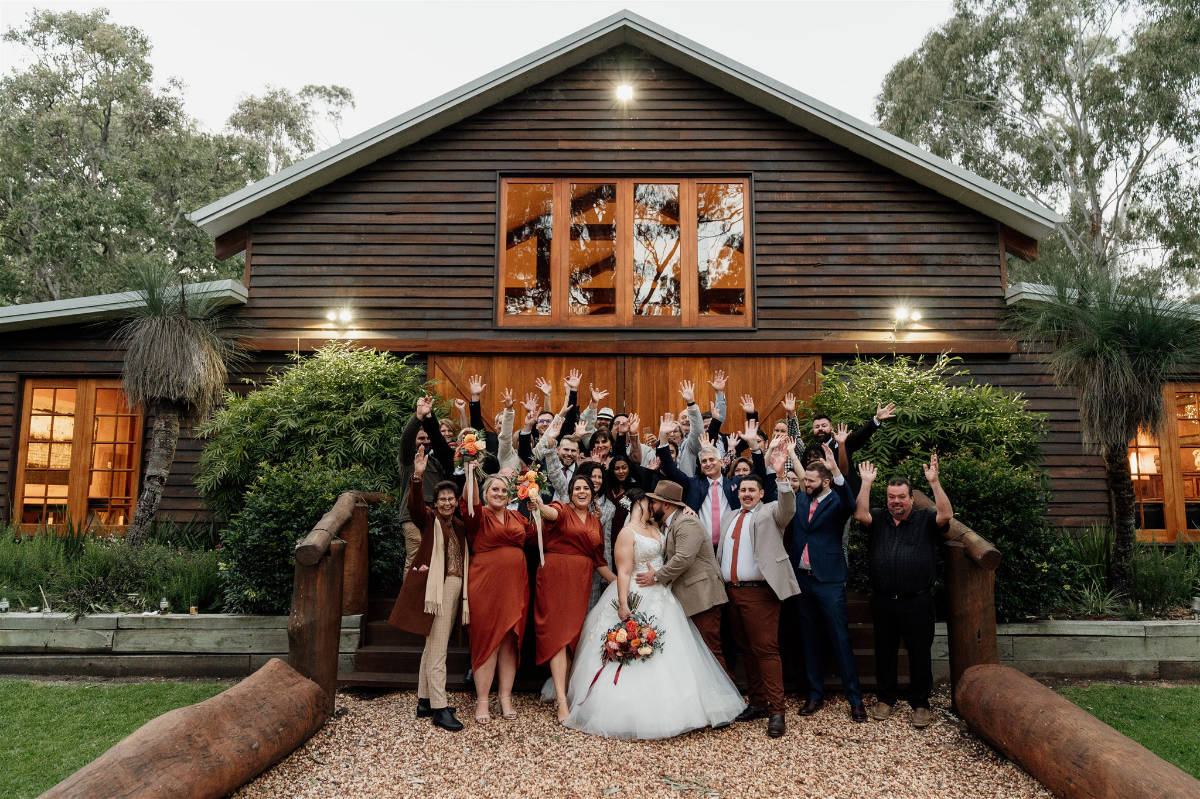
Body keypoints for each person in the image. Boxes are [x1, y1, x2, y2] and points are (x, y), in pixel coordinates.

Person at [562, 488, 746, 739]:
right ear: (639, 502)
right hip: (637, 593)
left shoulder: (657, 529)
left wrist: (686, 512)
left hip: (663, 595)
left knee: (673, 650)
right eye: (651, 501)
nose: (655, 505)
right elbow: (624, 571)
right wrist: (624, 603)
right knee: (635, 649)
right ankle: (628, 712)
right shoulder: (627, 533)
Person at [854, 456, 953, 729]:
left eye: (900, 497)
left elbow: (947, 515)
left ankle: (920, 703)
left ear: (911, 498)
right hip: (884, 600)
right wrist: (865, 483)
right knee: (884, 651)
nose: (895, 502)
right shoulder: (880, 518)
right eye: (891, 497)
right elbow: (860, 514)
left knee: (919, 652)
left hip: (917, 601)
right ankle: (886, 698)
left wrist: (934, 482)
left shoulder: (925, 519)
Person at [717, 439, 798, 738]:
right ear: (737, 493)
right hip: (731, 592)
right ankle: (759, 701)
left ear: (761, 494)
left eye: (752, 490)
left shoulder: (771, 513)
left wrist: (779, 475)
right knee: (746, 649)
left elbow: (788, 508)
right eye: (743, 490)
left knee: (766, 650)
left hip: (760, 593)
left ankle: (777, 711)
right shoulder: (729, 517)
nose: (747, 494)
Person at [388, 447, 467, 731]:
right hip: (440, 588)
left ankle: (424, 699)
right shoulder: (430, 521)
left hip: (455, 586)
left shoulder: (458, 525)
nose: (446, 503)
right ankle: (439, 707)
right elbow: (415, 508)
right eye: (442, 499)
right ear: (437, 501)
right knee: (438, 648)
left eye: (451, 499)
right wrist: (418, 478)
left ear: (456, 502)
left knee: (431, 645)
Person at [789, 443, 866, 722]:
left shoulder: (837, 501)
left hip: (830, 580)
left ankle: (855, 700)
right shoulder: (800, 499)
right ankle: (814, 695)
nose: (804, 483)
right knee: (809, 639)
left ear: (825, 482)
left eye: (810, 481)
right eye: (803, 480)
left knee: (840, 638)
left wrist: (837, 470)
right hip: (802, 579)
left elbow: (851, 503)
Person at [530, 476, 615, 721]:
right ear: (570, 492)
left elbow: (599, 561)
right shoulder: (561, 509)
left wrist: (621, 584)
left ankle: (566, 690)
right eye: (577, 488)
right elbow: (547, 513)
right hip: (556, 577)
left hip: (581, 581)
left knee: (572, 638)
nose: (581, 491)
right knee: (558, 636)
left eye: (586, 488)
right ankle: (561, 701)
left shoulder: (595, 522)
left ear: (592, 493)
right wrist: (536, 500)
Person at [460, 471, 538, 724]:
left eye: (504, 491)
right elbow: (467, 501)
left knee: (509, 639)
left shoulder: (516, 516)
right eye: (495, 490)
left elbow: (534, 536)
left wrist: (536, 508)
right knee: (487, 640)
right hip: (485, 585)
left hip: (515, 585)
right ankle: (483, 699)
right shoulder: (478, 516)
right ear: (484, 494)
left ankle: (505, 696)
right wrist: (470, 468)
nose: (500, 494)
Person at [634, 480, 729, 671]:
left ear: (666, 505)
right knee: (699, 652)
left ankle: (726, 698)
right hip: (690, 597)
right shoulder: (668, 523)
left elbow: (683, 558)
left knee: (710, 651)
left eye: (654, 502)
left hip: (703, 596)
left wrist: (656, 577)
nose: (651, 506)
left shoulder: (686, 522)